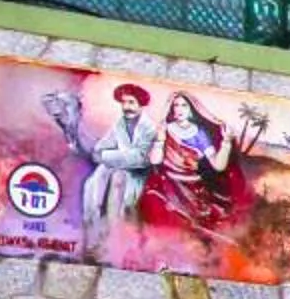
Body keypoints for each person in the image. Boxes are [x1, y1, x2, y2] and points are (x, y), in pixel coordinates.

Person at [40, 81, 159, 255]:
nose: (127, 107)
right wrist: (106, 155)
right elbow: (99, 149)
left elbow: (139, 158)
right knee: (92, 184)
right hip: (115, 169)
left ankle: (116, 243)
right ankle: (94, 242)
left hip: (138, 175)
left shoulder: (149, 129)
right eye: (124, 102)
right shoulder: (120, 125)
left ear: (141, 105)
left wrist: (107, 157)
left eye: (131, 102)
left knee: (118, 181)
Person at [142, 92, 265, 242]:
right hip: (167, 184)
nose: (179, 109)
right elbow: (155, 160)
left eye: (184, 105)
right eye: (176, 105)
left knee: (200, 225)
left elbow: (218, 166)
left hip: (192, 188)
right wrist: (160, 140)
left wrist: (226, 142)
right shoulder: (165, 129)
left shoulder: (199, 134)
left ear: (192, 109)